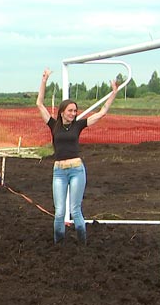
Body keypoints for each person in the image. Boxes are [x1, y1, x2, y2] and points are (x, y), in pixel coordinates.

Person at [36, 68, 118, 245]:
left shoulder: (78, 125)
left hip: (76, 170)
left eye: (75, 111)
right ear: (62, 111)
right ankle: (59, 244)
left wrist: (114, 93)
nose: (74, 113)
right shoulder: (53, 125)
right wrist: (44, 81)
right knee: (59, 212)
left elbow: (102, 112)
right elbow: (39, 104)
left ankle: (82, 244)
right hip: (59, 171)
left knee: (75, 210)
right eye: (71, 111)